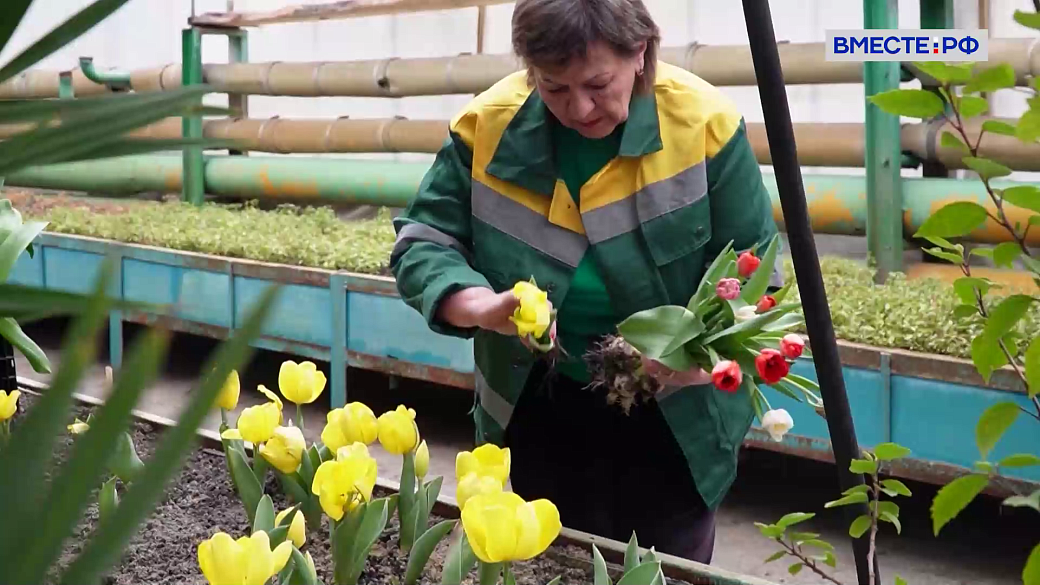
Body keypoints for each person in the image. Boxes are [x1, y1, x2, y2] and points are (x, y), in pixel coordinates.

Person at [389, 0, 781, 564]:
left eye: (599, 83)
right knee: (547, 563)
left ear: (640, 51)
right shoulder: (487, 125)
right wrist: (477, 304)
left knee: (663, 568)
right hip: (536, 403)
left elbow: (756, 272)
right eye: (554, 88)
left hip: (676, 418)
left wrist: (706, 356)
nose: (579, 107)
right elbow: (425, 240)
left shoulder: (703, 126)